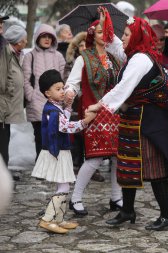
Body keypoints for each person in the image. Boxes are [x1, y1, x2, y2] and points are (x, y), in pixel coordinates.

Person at [88, 9, 168, 231]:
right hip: (134, 118)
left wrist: (98, 106)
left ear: (135, 37)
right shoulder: (134, 55)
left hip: (149, 122)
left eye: (127, 34)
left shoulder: (141, 59)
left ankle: (167, 216)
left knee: (154, 169)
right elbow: (115, 46)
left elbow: (123, 88)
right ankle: (127, 211)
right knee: (128, 164)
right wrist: (107, 27)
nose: (123, 38)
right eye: (123, 34)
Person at [64, 18, 122, 216]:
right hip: (93, 112)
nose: (103, 36)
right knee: (95, 157)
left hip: (114, 113)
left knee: (117, 156)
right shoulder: (83, 58)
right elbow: (73, 83)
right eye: (99, 32)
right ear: (92, 34)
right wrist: (70, 91)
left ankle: (116, 197)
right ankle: (76, 198)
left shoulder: (115, 57)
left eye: (106, 32)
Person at [31, 69, 96, 234]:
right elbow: (65, 126)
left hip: (59, 151)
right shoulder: (52, 111)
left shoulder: (55, 107)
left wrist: (67, 107)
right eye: (58, 89)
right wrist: (84, 121)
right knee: (63, 187)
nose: (62, 92)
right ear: (47, 93)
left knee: (64, 185)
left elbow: (64, 119)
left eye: (62, 88)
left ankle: (58, 219)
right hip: (57, 152)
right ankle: (47, 219)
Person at [22, 24, 66, 161]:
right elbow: (25, 79)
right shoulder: (30, 56)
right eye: (44, 36)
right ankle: (40, 165)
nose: (47, 39)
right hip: (36, 103)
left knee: (53, 134)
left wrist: (61, 95)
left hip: (55, 103)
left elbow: (64, 77)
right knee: (40, 136)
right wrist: (31, 96)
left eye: (50, 37)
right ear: (37, 38)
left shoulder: (58, 56)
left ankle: (51, 164)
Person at [0, 24, 27, 181]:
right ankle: (3, 174)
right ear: (18, 41)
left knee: (5, 137)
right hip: (4, 104)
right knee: (2, 139)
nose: (25, 42)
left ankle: (4, 170)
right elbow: (3, 79)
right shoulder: (6, 53)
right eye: (23, 40)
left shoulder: (13, 53)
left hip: (7, 104)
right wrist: (10, 91)